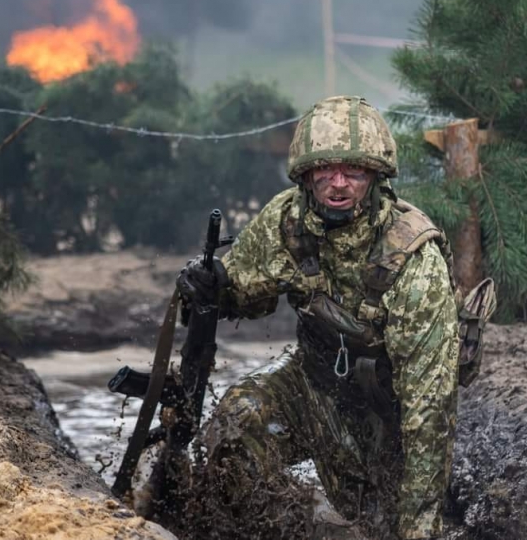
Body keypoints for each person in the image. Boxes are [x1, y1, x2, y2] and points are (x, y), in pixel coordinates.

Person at [174, 95, 490, 540]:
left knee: (386, 527)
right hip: (313, 383)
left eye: (354, 172)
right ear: (306, 176)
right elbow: (243, 295)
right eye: (325, 171)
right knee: (235, 425)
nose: (338, 184)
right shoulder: (286, 222)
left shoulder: (413, 262)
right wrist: (210, 288)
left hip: (387, 414)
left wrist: (419, 529)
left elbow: (429, 409)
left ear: (376, 177)